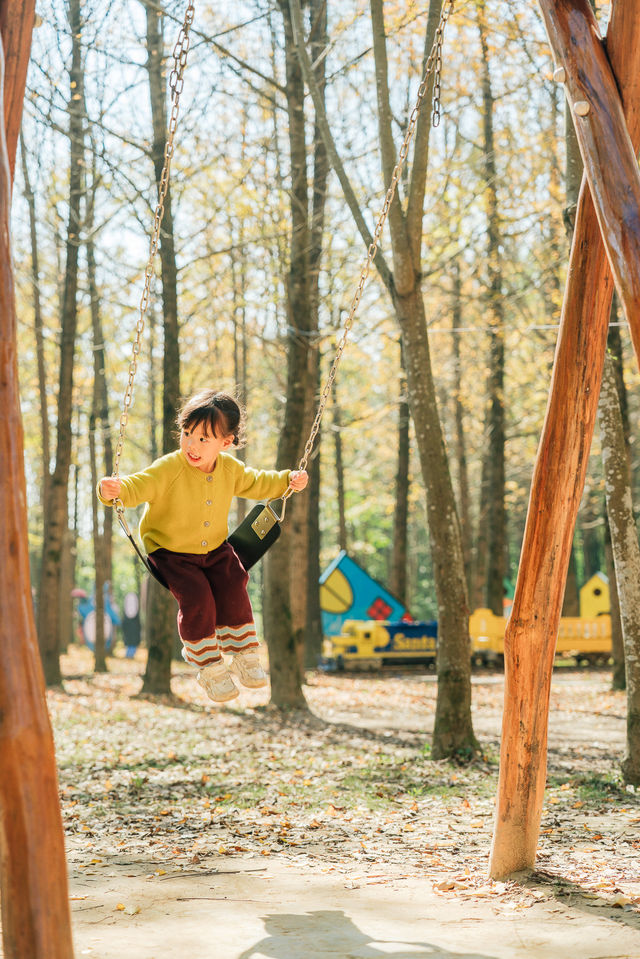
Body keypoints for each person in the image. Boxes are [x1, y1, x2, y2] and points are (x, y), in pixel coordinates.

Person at [98, 389, 308, 703]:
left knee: (235, 579)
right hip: (169, 552)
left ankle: (243, 652)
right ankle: (209, 666)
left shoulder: (229, 469)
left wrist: (286, 479)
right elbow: (138, 485)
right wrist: (111, 489)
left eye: (203, 439)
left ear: (226, 443)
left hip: (213, 548)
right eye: (187, 434)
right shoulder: (169, 468)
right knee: (198, 599)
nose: (192, 445)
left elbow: (257, 481)